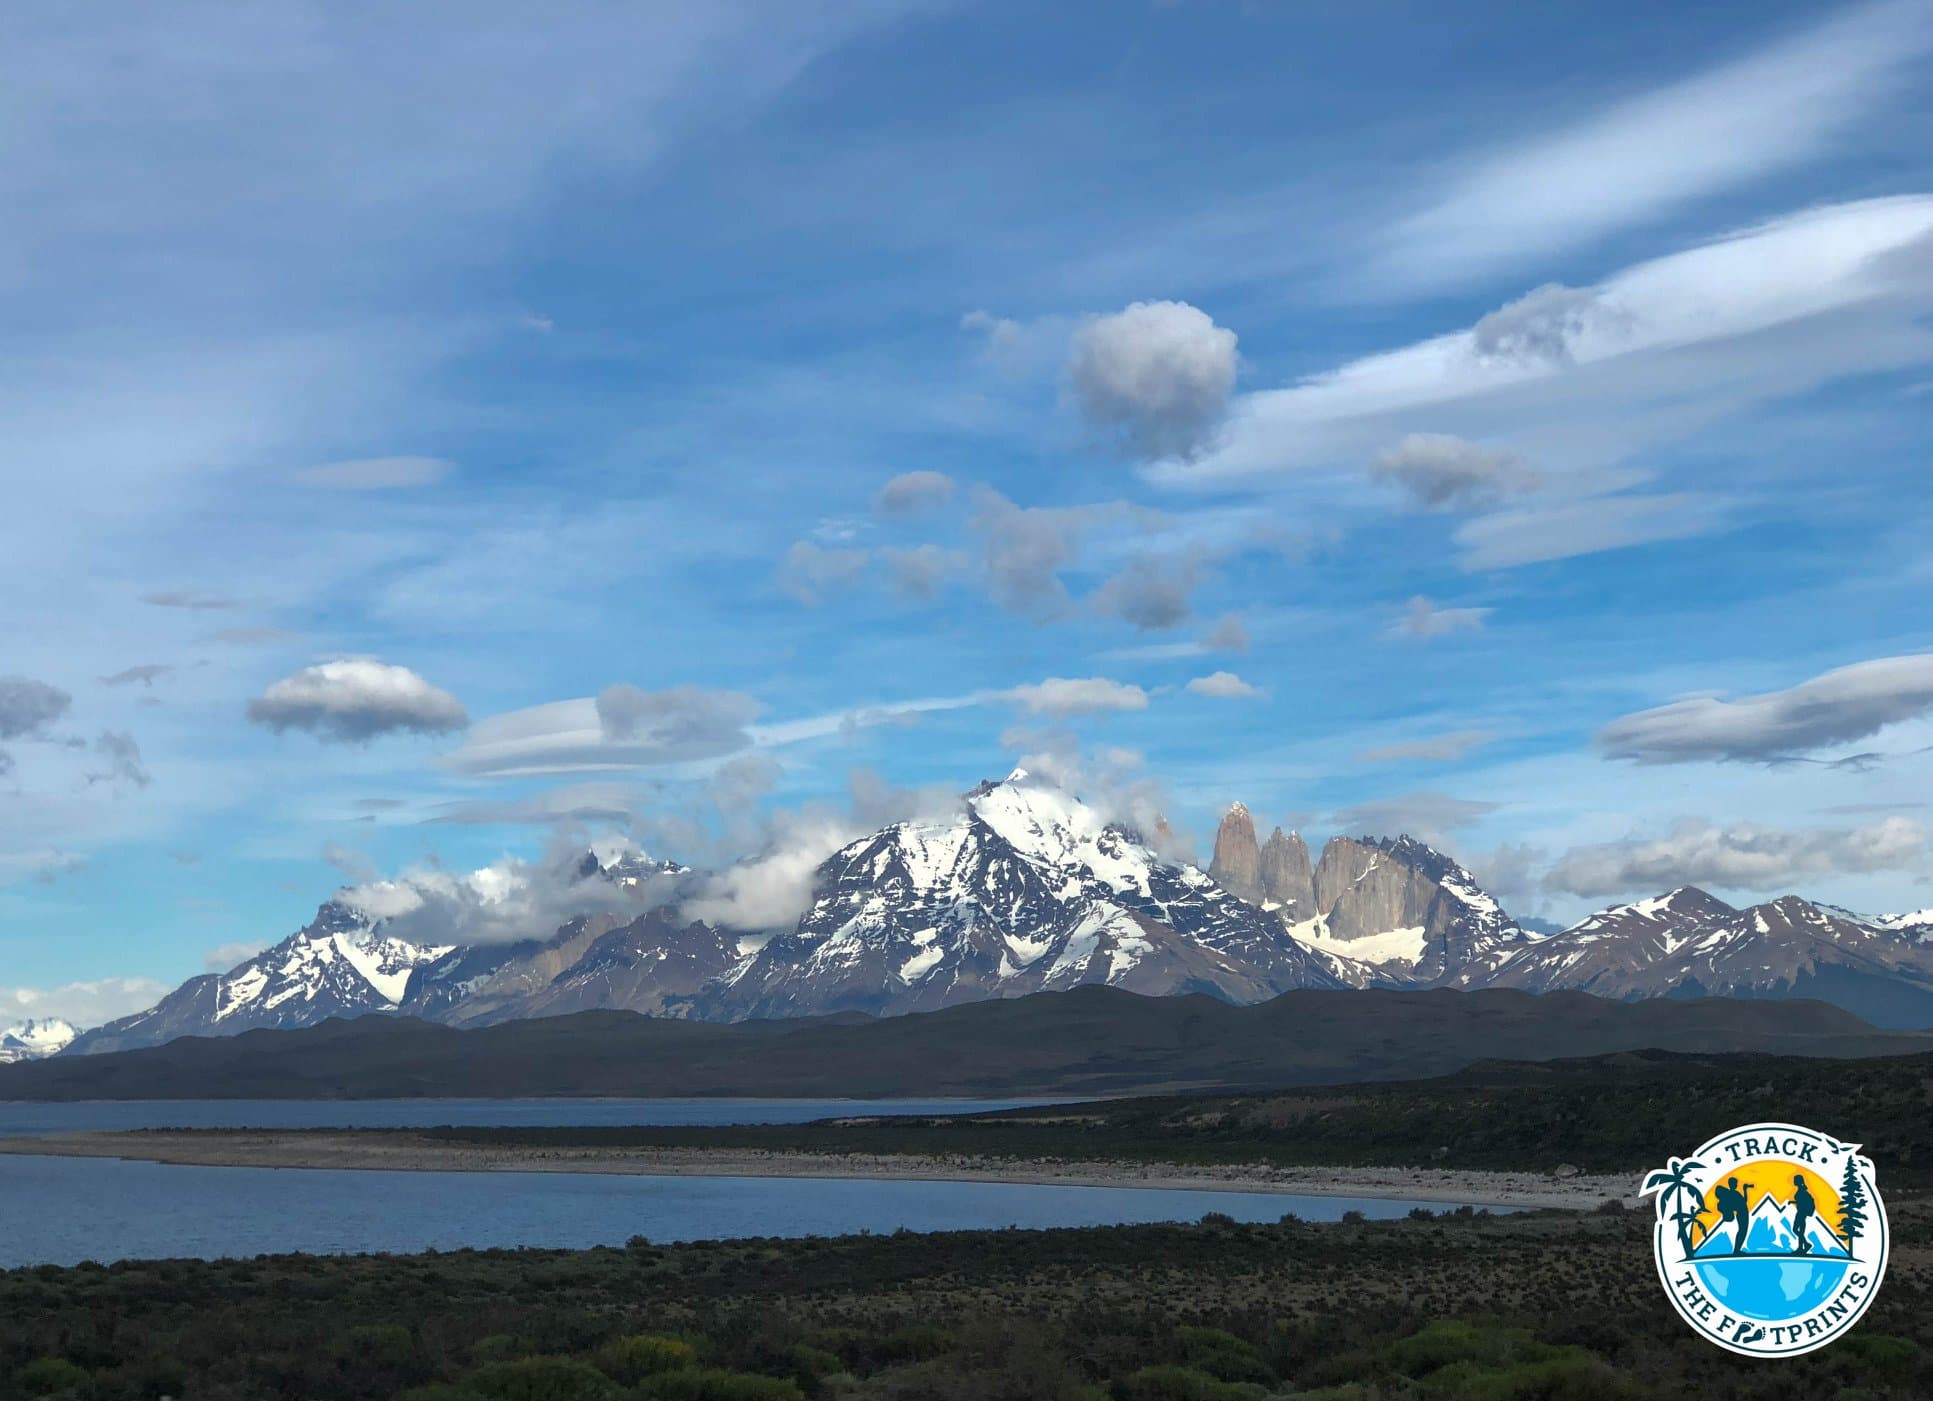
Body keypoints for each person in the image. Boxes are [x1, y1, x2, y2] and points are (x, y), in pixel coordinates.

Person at [1713, 1176, 1752, 1253]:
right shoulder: (1734, 1193)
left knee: (1742, 1231)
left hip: (1742, 1213)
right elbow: (1744, 1201)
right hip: (1742, 1213)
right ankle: (1736, 1250)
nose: (1736, 1185)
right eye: (1735, 1183)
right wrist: (1744, 1190)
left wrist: (1744, 1190)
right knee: (1742, 1232)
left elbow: (1742, 1202)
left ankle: (1737, 1250)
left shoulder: (1732, 1193)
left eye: (1736, 1183)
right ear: (1732, 1184)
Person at [1791, 1174, 1816, 1255]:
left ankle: (1803, 1246)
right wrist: (1793, 1202)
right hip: (1801, 1212)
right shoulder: (1801, 1189)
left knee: (1796, 1229)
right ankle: (1803, 1246)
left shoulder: (1801, 1190)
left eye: (1795, 1180)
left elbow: (1802, 1201)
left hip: (1801, 1213)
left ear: (1798, 1181)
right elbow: (1801, 1201)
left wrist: (1796, 1202)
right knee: (1800, 1231)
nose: (1793, 1181)